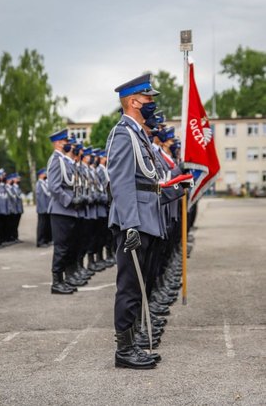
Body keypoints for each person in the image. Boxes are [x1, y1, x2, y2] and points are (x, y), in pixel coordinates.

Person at [106, 73, 164, 369]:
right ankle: (124, 351)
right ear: (133, 101)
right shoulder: (123, 133)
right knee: (129, 285)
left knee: (142, 284)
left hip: (146, 217)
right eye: (148, 98)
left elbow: (146, 180)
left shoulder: (138, 132)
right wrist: (129, 224)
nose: (152, 102)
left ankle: (135, 338)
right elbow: (121, 182)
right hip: (135, 221)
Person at [47, 128, 80, 295]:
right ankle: (56, 283)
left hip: (68, 211)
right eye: (66, 142)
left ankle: (64, 280)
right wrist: (69, 200)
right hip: (61, 210)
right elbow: (53, 187)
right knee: (61, 248)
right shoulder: (55, 160)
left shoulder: (65, 161)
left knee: (67, 247)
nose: (69, 145)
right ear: (58, 143)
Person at [36, 168, 52, 247]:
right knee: (42, 225)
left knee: (47, 225)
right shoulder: (40, 183)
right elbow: (45, 195)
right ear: (40, 175)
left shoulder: (44, 183)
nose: (46, 175)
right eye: (44, 174)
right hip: (42, 208)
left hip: (46, 207)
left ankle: (47, 240)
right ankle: (40, 241)